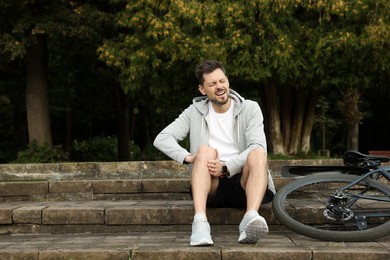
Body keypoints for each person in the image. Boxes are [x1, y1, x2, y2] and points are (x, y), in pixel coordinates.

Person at [153, 60, 275, 246]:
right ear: (202, 90)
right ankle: (200, 223)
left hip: (244, 181)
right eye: (212, 84)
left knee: (258, 152)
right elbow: (162, 138)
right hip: (212, 185)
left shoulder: (250, 108)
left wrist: (226, 168)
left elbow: (258, 145)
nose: (219, 87)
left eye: (222, 81)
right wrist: (187, 157)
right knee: (205, 151)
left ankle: (250, 218)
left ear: (227, 81)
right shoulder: (194, 111)